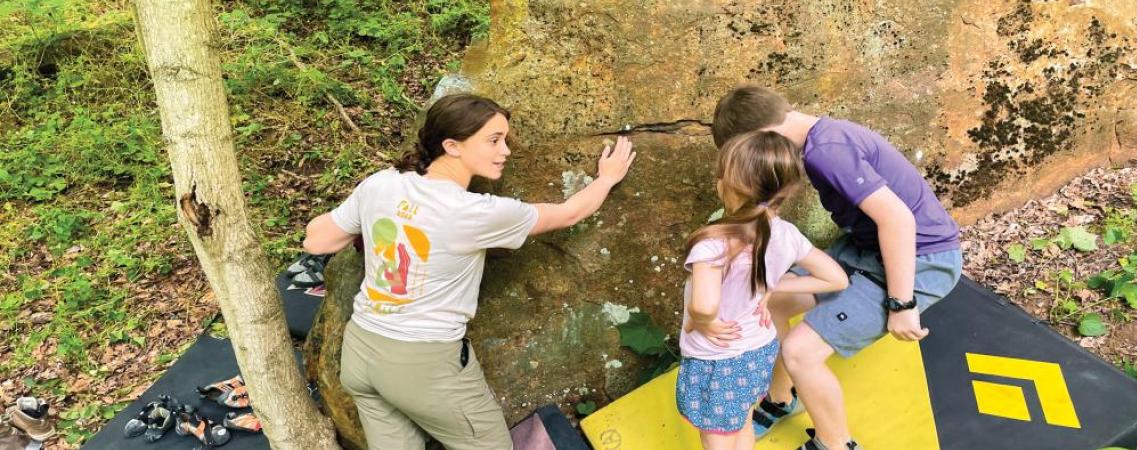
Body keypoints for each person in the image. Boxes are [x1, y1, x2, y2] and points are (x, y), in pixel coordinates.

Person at [302, 93, 636, 450]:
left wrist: (381, 224)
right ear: (452, 145)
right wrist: (606, 179)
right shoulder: (475, 212)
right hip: (424, 365)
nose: (505, 150)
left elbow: (316, 240)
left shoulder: (382, 183)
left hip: (361, 352)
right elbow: (568, 213)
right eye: (493, 140)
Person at [711, 85, 963, 450]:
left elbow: (899, 220)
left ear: (763, 137)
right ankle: (781, 398)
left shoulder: (827, 152)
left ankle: (835, 444)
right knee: (775, 302)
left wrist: (902, 304)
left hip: (922, 260)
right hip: (866, 249)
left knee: (801, 352)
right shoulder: (823, 138)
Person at [676, 130, 847, 450]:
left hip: (717, 361)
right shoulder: (787, 234)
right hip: (758, 350)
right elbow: (835, 279)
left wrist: (703, 321)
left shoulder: (712, 243)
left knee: (717, 439)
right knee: (740, 423)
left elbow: (703, 304)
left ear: (724, 188)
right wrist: (775, 285)